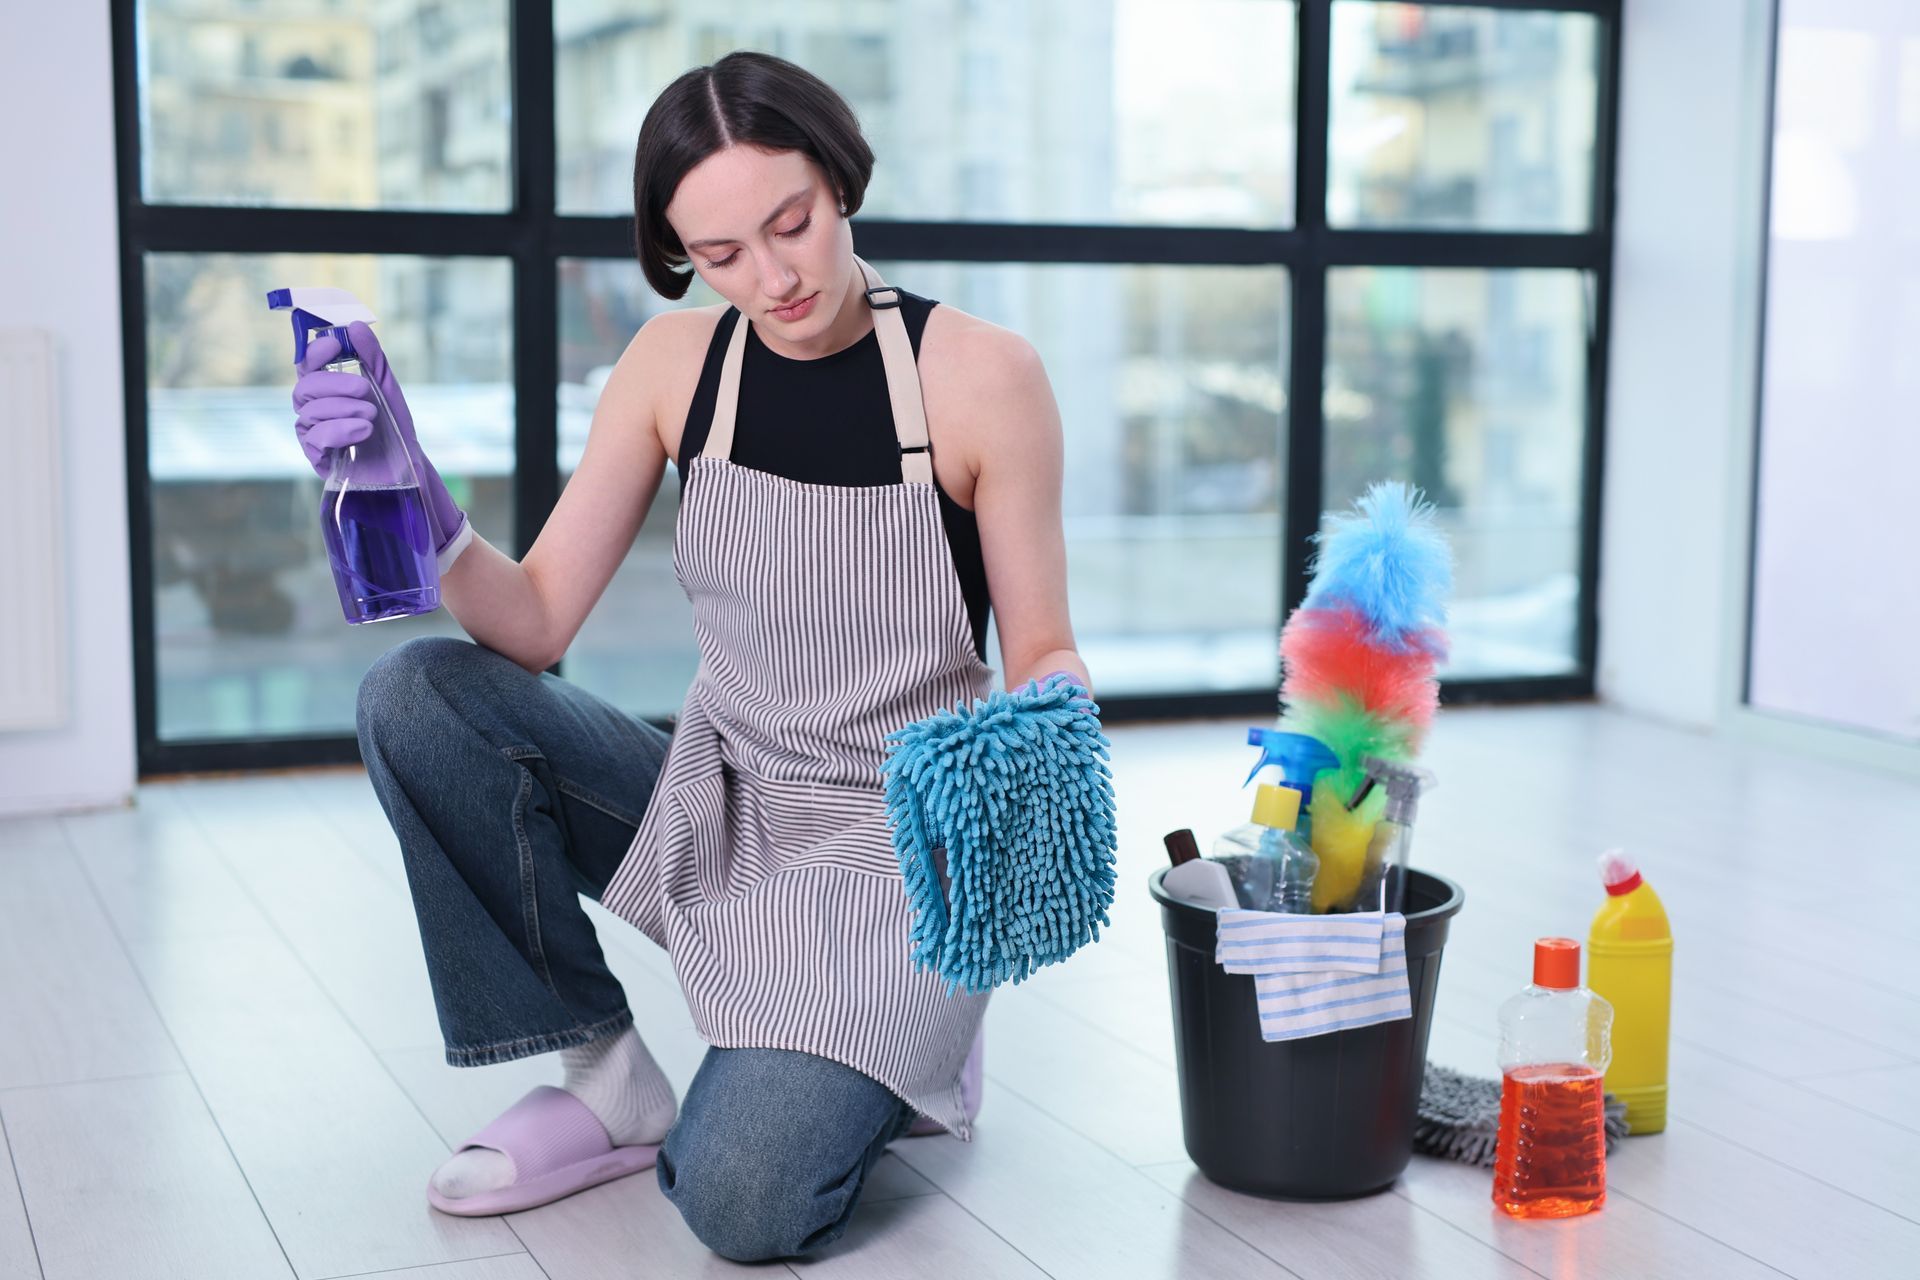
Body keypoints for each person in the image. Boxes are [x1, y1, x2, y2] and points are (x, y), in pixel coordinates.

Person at [290, 50, 1092, 1261]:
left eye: (792, 224)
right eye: (721, 255)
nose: (771, 278)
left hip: (894, 851)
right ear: (681, 253)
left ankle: (897, 1045)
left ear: (839, 179)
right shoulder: (676, 367)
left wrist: (1056, 713)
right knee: (421, 695)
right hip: (716, 798)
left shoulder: (980, 378)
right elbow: (536, 618)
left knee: (744, 1201)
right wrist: (415, 493)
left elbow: (1039, 643)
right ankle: (606, 1072)